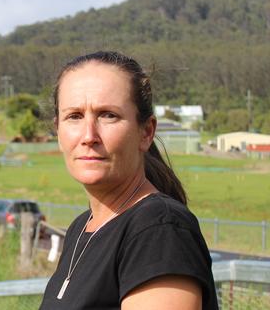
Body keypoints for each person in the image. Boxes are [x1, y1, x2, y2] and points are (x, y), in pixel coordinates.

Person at [39, 51, 218, 310]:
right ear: (58, 131)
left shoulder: (159, 230)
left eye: (108, 115)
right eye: (74, 116)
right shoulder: (82, 228)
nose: (89, 136)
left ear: (146, 132)